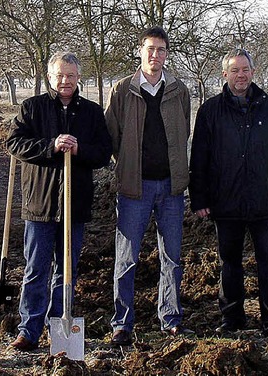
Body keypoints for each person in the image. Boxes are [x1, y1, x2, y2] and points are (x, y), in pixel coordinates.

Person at [5, 51, 112, 351]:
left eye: (71, 75)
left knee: (66, 270)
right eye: (60, 75)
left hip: (74, 206)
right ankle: (29, 329)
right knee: (36, 268)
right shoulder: (33, 108)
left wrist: (80, 150)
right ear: (50, 77)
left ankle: (59, 326)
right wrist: (50, 146)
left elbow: (104, 152)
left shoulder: (92, 113)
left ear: (79, 77)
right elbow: (14, 143)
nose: (65, 81)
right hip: (39, 204)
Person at [189, 48, 268, 343]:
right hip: (225, 202)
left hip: (264, 201)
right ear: (224, 74)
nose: (241, 75)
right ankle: (231, 320)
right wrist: (199, 197)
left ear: (253, 72)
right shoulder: (210, 111)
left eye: (245, 70)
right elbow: (199, 156)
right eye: (234, 70)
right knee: (229, 263)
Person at [105, 26, 192, 346]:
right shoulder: (122, 90)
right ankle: (122, 323)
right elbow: (111, 135)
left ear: (167, 54)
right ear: (140, 52)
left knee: (172, 256)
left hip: (171, 189)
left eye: (161, 49)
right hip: (134, 189)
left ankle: (170, 318)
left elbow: (183, 132)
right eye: (150, 49)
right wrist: (127, 164)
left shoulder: (179, 91)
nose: (155, 55)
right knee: (126, 258)